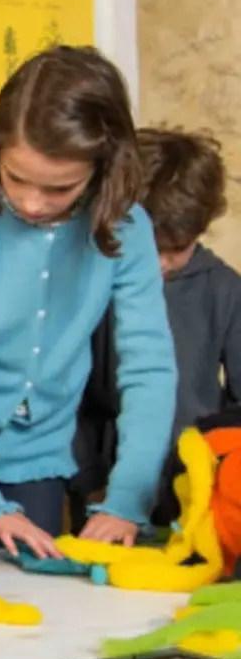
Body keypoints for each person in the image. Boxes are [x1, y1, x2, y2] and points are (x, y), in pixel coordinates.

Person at [0, 45, 178, 560]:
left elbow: (149, 368)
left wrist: (127, 499)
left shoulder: (128, 230)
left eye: (58, 188)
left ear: (103, 167)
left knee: (39, 599)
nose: (30, 203)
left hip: (41, 451)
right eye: (15, 178)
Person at [72, 127, 241, 528]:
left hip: (200, 492)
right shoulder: (94, 282)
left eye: (175, 250)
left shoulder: (225, 289)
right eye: (148, 248)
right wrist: (88, 478)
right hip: (104, 488)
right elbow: (71, 392)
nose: (159, 264)